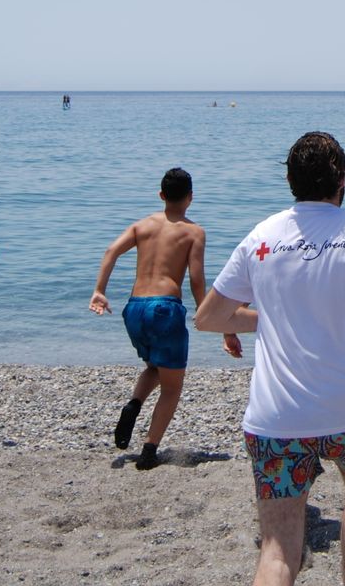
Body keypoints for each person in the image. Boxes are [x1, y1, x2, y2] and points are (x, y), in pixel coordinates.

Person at [195, 131, 345, 586]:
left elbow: (209, 317)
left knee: (278, 550)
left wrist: (273, 317)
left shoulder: (263, 236)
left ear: (289, 179)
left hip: (276, 419)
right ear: (343, 179)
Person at [89, 167, 240, 470]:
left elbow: (110, 251)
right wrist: (212, 319)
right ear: (191, 198)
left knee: (155, 367)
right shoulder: (193, 231)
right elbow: (196, 279)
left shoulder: (142, 225)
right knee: (172, 387)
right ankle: (149, 451)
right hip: (165, 309)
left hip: (134, 309)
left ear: (161, 195)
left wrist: (99, 291)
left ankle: (133, 404)